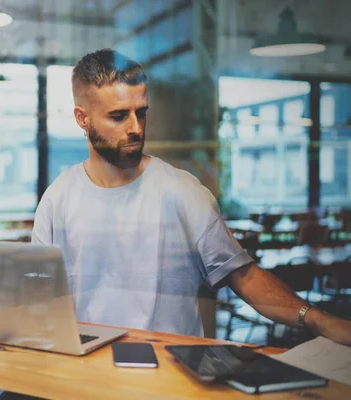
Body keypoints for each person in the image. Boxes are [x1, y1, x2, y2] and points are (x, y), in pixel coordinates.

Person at [32, 48, 351, 345]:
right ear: (82, 118)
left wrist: (319, 320)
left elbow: (245, 277)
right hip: (87, 372)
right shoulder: (58, 198)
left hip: (168, 370)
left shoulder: (181, 192)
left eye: (141, 113)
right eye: (118, 116)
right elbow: (40, 298)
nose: (136, 128)